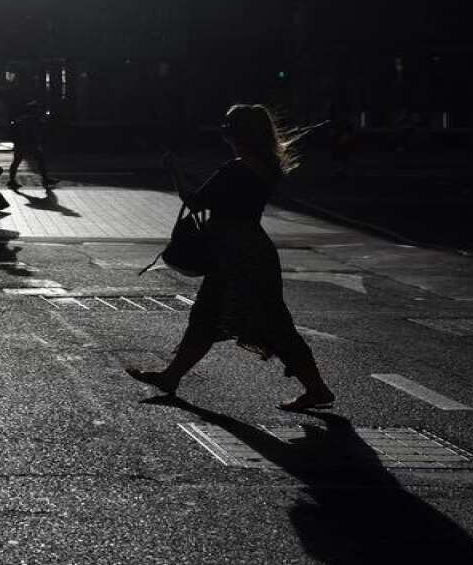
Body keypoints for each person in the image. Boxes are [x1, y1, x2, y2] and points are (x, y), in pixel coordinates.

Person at [125, 104, 336, 412]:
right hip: (251, 248)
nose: (222, 131)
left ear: (239, 133)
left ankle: (317, 388)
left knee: (267, 323)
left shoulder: (235, 169)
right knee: (217, 316)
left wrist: (174, 170)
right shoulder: (265, 165)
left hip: (234, 253)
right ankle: (171, 377)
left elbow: (196, 201)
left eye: (228, 126)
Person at [7, 101, 57, 189]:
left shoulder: (21, 119)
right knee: (39, 160)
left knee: (17, 162)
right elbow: (38, 130)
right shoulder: (34, 119)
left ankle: (11, 180)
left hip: (21, 144)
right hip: (30, 143)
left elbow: (14, 130)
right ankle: (45, 179)